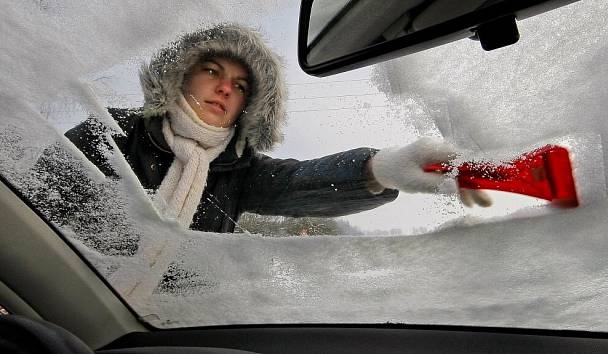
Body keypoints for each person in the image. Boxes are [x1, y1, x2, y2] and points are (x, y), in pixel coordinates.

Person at [65, 23, 489, 234]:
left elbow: (302, 182)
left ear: (248, 107)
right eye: (212, 69)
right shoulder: (112, 133)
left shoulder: (236, 171)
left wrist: (386, 167)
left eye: (242, 85)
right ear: (178, 75)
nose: (226, 87)